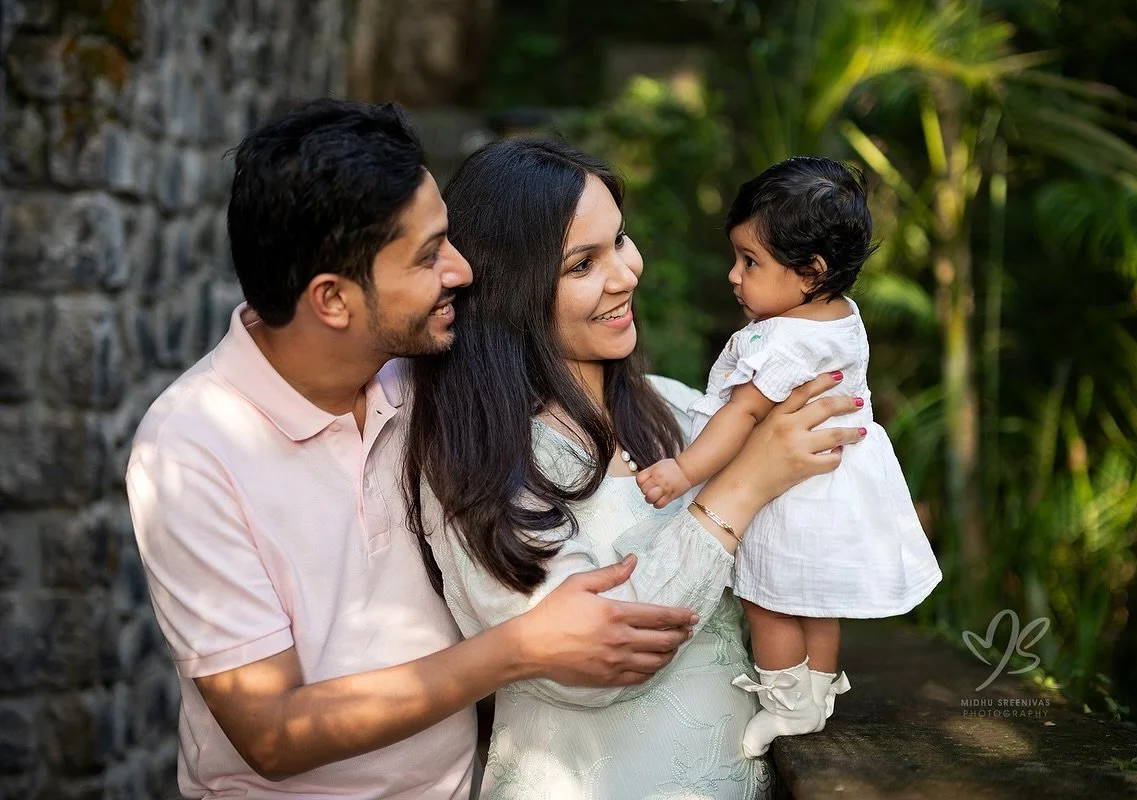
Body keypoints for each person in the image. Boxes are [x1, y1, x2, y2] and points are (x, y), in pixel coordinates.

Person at [124, 100, 862, 799]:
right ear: (332, 300)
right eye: (428, 256)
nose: (463, 270)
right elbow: (271, 731)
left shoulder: (428, 380)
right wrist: (519, 647)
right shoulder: (193, 448)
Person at [406, 139, 867, 799]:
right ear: (513, 288)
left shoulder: (684, 414)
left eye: (620, 241)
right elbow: (593, 658)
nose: (625, 274)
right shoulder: (483, 461)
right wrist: (740, 490)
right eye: (582, 263)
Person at [636, 156, 943, 756]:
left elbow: (742, 415)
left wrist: (684, 470)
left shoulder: (781, 340)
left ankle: (785, 705)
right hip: (835, 483)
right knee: (816, 598)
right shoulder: (842, 319)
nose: (733, 275)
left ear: (811, 272)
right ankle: (817, 692)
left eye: (750, 262)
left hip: (792, 492)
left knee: (768, 600)